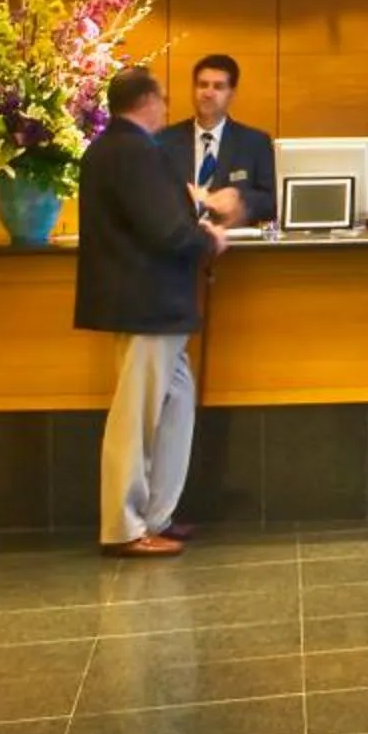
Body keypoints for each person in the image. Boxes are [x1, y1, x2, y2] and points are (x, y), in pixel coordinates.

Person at [76, 65, 226, 557]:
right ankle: (123, 526)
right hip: (147, 302)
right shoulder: (134, 152)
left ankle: (156, 514)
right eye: (162, 99)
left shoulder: (114, 149)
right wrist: (207, 236)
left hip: (154, 306)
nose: (167, 108)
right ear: (146, 101)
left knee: (177, 402)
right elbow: (165, 229)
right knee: (136, 417)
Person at [155, 52, 277, 227]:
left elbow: (270, 202)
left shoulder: (255, 143)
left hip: (235, 247)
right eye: (202, 85)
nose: (208, 93)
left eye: (218, 87)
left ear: (232, 93)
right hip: (178, 244)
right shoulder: (163, 141)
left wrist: (239, 199)